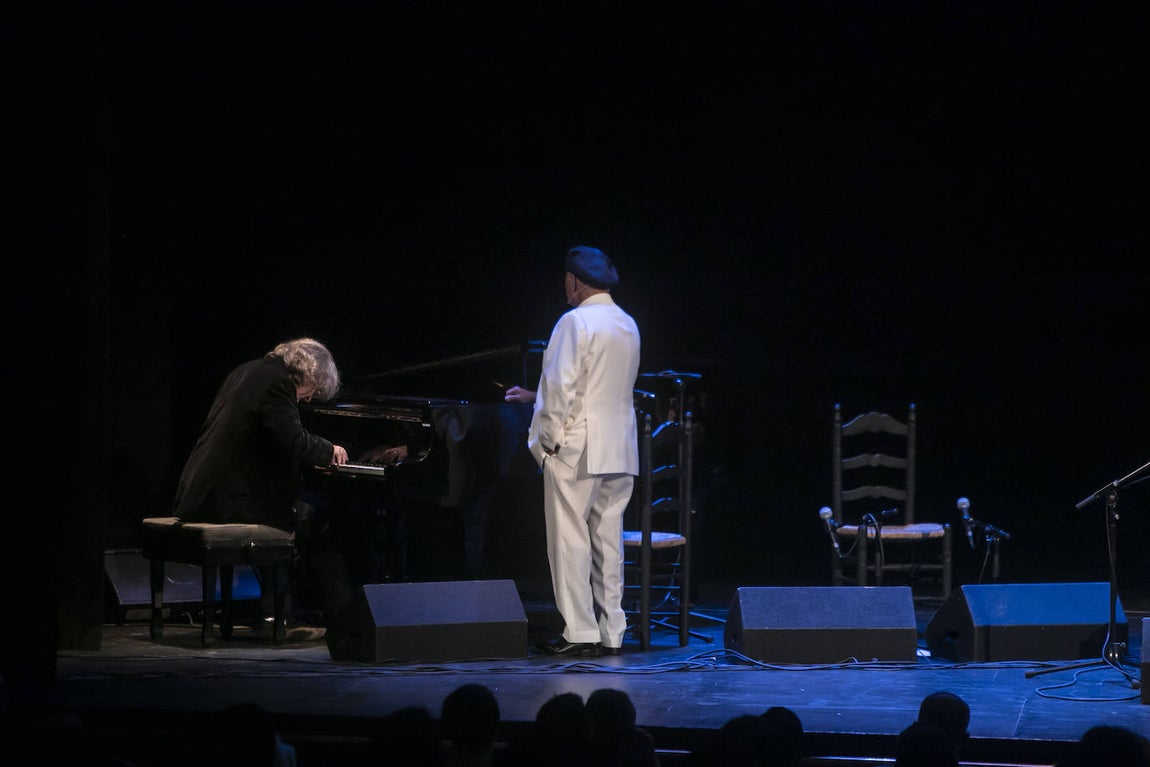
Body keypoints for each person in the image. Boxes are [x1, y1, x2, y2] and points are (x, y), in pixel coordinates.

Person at [171, 337, 350, 639]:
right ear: (308, 372)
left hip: (203, 491)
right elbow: (294, 440)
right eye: (314, 390)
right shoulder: (278, 383)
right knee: (308, 517)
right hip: (225, 499)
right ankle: (287, 614)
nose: (309, 399)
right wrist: (328, 449)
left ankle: (284, 610)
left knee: (297, 510)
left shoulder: (248, 370)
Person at [524, 245, 641, 658]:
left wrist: (548, 441)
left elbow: (560, 386)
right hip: (620, 446)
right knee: (609, 540)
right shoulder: (627, 323)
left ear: (574, 281)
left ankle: (579, 630)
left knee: (569, 538)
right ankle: (613, 630)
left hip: (578, 446)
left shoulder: (575, 322)